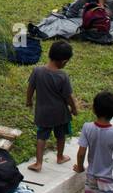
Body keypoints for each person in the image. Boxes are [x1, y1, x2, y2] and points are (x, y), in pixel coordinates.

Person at [26, 40, 77, 172]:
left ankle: (38, 163)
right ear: (64, 61)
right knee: (60, 135)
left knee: (41, 136)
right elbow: (68, 96)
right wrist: (74, 108)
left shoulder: (37, 71)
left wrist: (29, 101)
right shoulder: (62, 76)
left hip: (43, 112)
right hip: (60, 113)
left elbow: (30, 87)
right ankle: (60, 157)